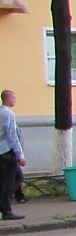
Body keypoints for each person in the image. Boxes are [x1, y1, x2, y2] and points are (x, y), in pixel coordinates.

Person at [0, 88, 27, 220]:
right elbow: (12, 136)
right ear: (9, 99)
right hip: (7, 152)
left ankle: (4, 206)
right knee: (14, 179)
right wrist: (20, 154)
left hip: (1, 152)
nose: (15, 101)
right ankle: (6, 209)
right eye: (14, 98)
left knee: (5, 180)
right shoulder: (8, 114)